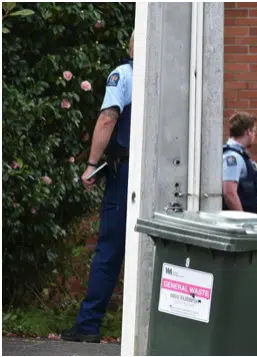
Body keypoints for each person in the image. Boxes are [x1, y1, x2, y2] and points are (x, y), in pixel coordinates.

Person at [61, 31, 135, 343]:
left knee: (109, 249)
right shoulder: (170, 77)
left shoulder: (125, 75)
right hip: (160, 173)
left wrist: (92, 164)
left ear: (133, 44)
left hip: (126, 175)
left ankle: (89, 324)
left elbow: (108, 118)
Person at [222, 112, 257, 213]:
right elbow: (229, 193)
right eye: (254, 131)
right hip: (239, 223)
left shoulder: (238, 155)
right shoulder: (233, 157)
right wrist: (243, 220)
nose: (254, 135)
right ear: (249, 131)